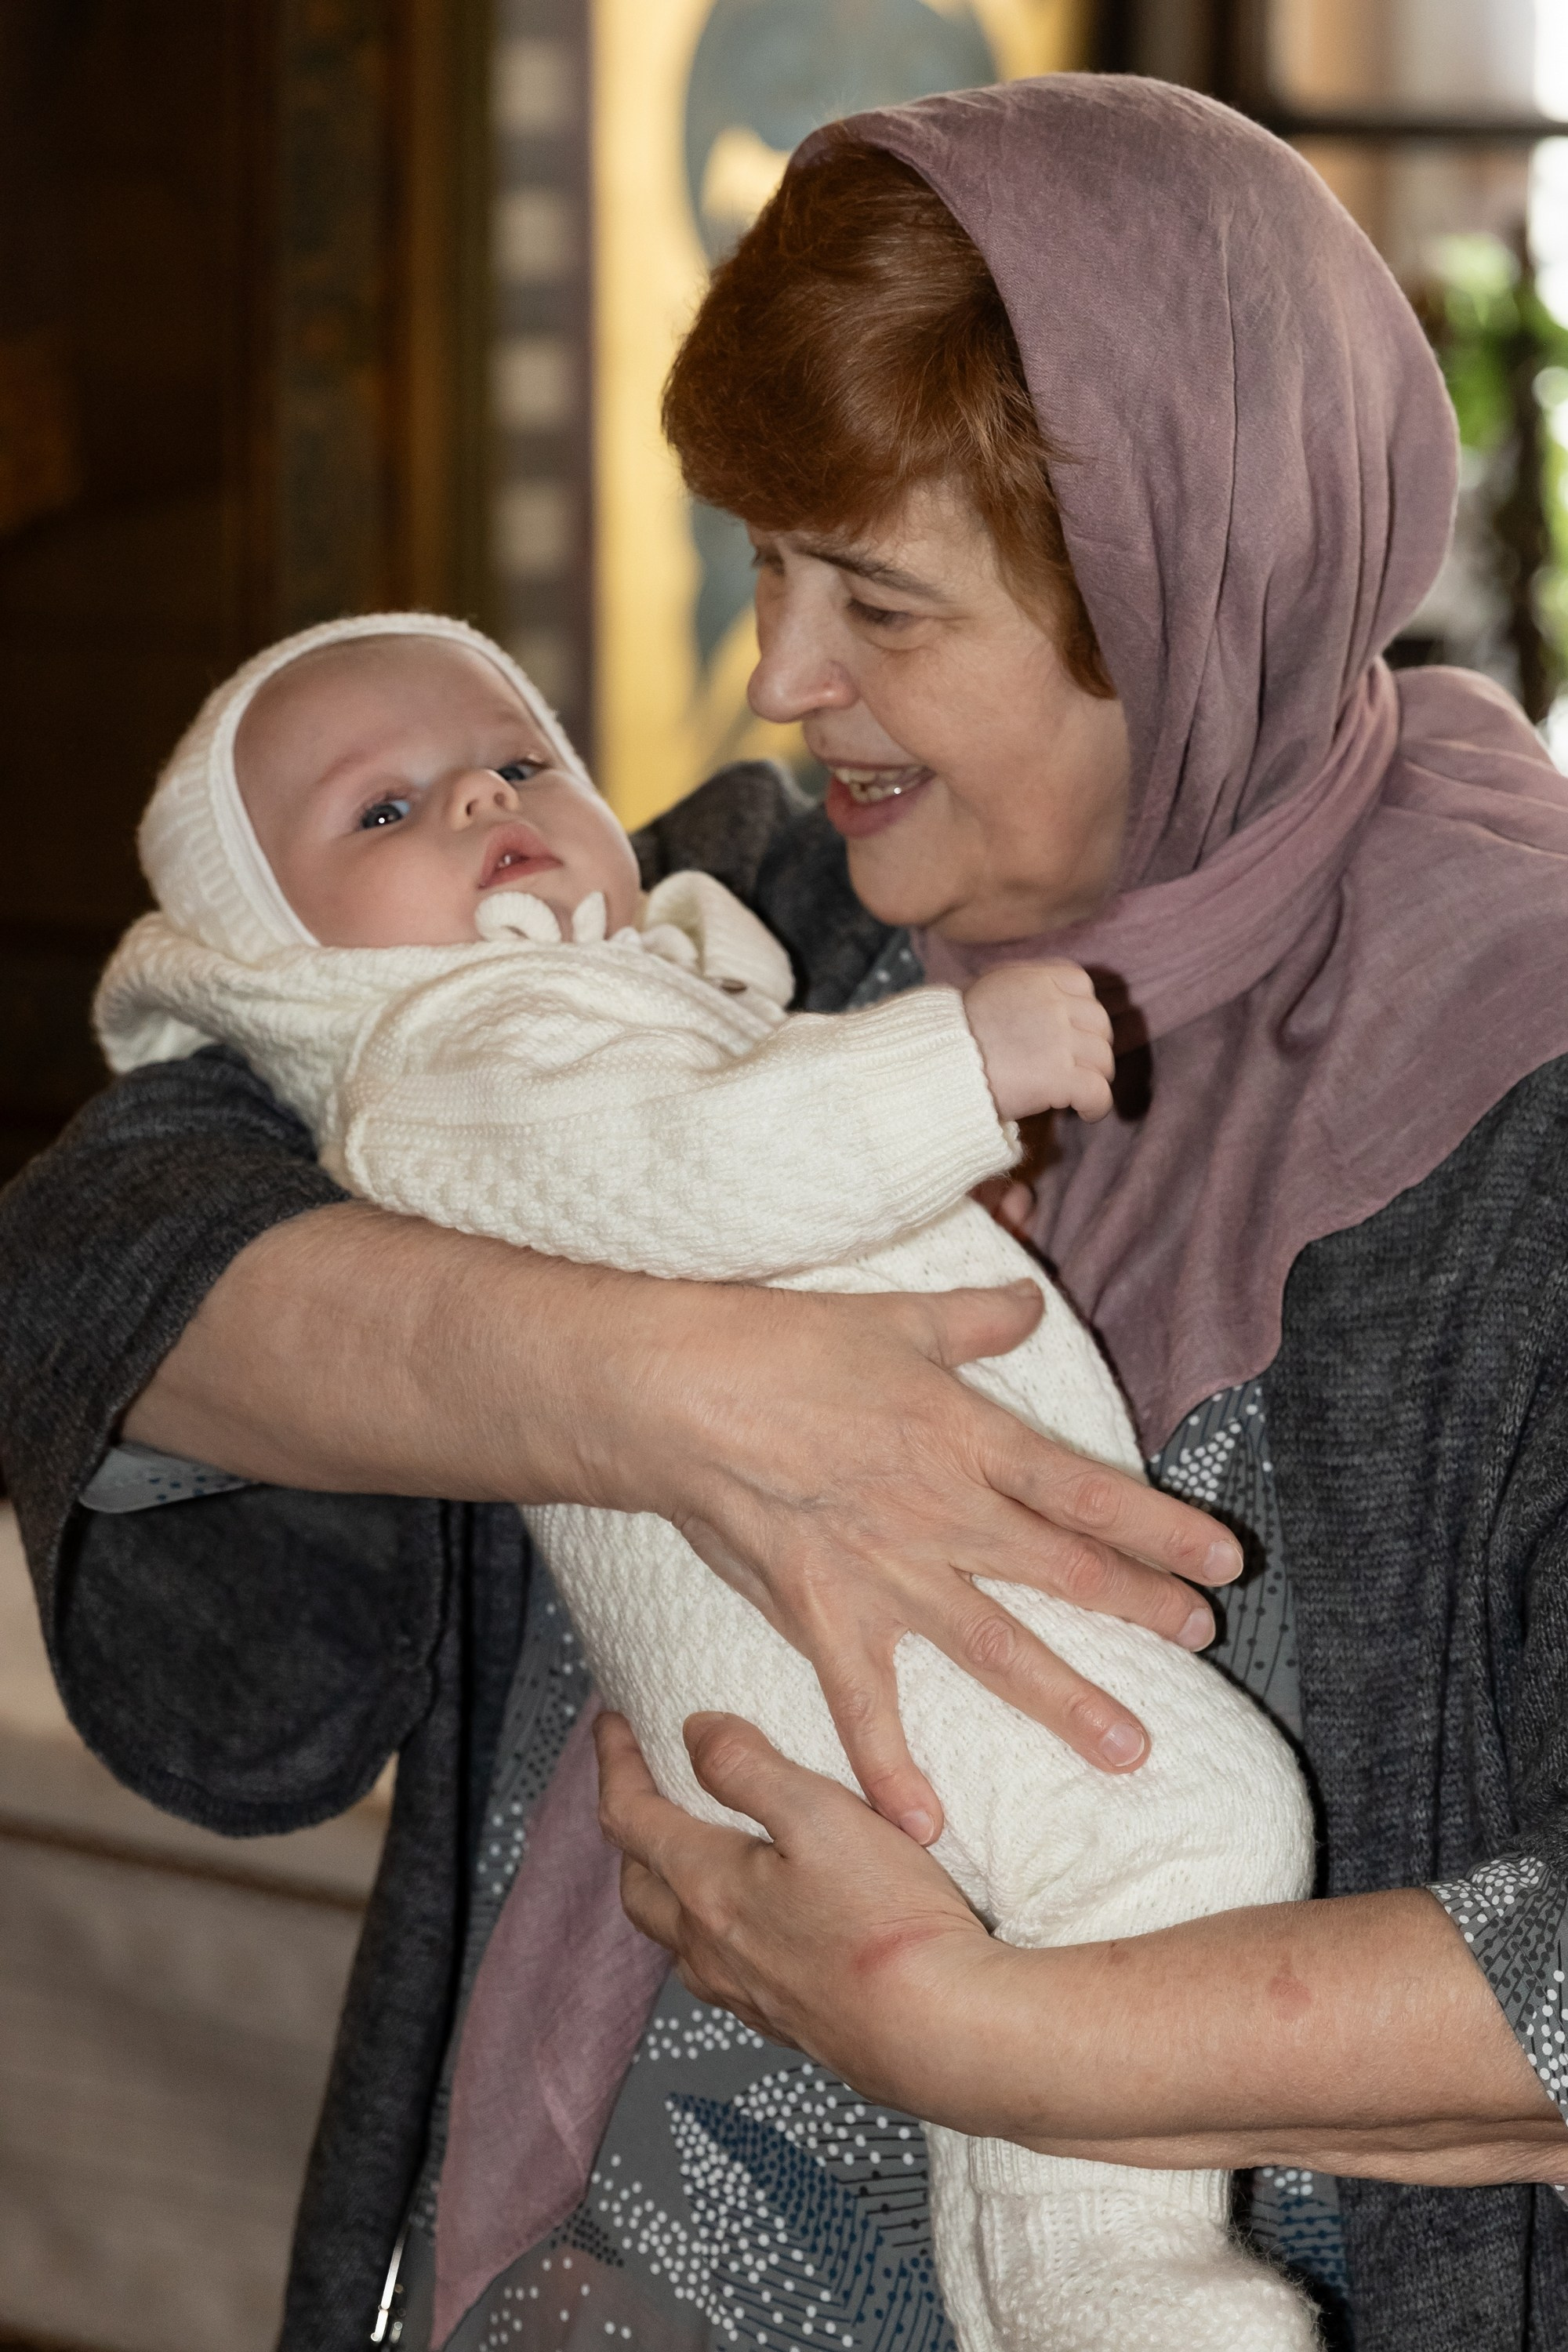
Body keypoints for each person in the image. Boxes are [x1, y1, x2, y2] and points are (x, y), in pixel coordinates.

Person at [2, 68, 1566, 2352]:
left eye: (879, 601)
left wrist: (975, 2038)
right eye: (761, 557)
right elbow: (102, 1238)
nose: (776, 677)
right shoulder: (763, 914)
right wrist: (655, 1389)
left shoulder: (1520, 1104)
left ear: (1177, 586)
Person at [93, 608, 1315, 2348]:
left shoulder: (626, 993)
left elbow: (718, 1134)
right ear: (279, 960)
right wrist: (953, 1075)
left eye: (519, 759)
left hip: (855, 1637)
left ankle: (1037, 2292)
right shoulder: (448, 1056)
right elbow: (685, 1163)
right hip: (797, 1660)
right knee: (1187, 1823)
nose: (472, 802)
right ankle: (1114, 2291)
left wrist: (928, 1213)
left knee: (1084, 1908)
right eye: (379, 813)